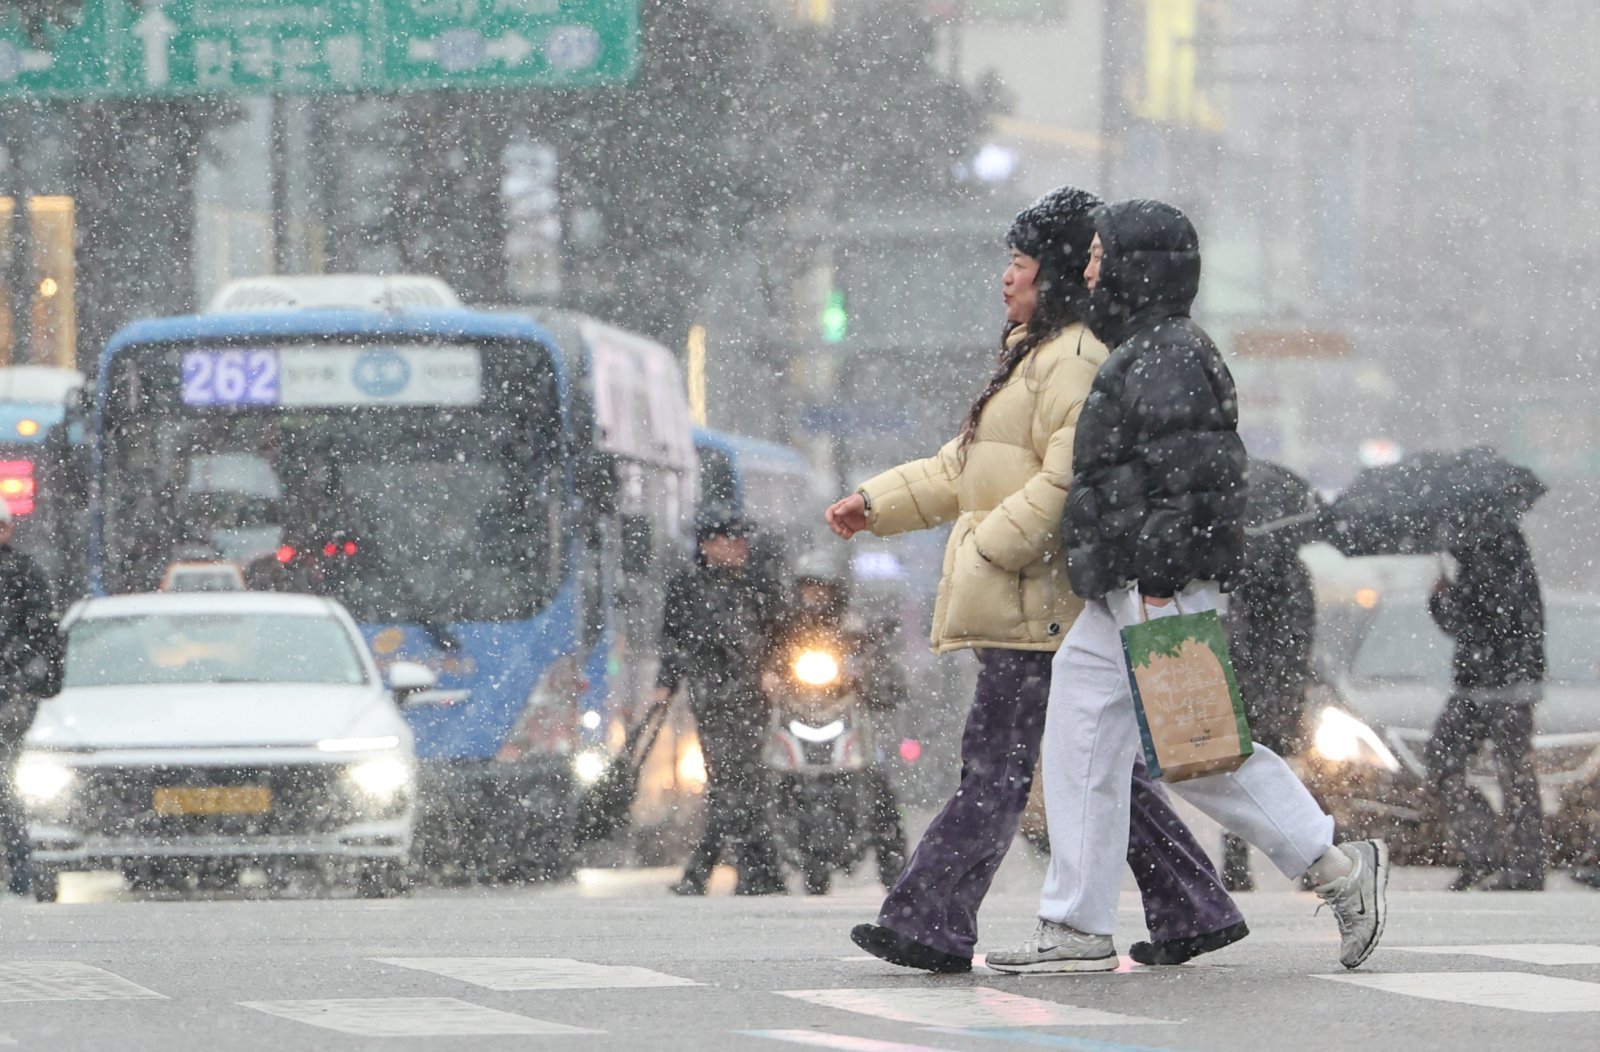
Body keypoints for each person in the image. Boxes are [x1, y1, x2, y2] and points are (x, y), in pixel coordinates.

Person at [826, 186, 1247, 975]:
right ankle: (1195, 907)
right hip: (1031, 606)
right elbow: (964, 466)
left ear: (1053, 275)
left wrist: (990, 547)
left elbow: (1065, 483)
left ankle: (929, 920)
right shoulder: (1034, 357)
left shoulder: (1076, 361)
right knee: (1092, 772)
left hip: (1041, 608)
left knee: (998, 773)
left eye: (1018, 264)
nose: (1005, 280)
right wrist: (877, 501)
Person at [987, 199, 1389, 975]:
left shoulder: (1167, 354)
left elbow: (1197, 477)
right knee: (1083, 739)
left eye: (1101, 254)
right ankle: (1074, 924)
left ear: (1136, 267)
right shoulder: (1146, 349)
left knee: (1196, 748)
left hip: (1155, 584)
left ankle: (1335, 868)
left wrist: (1163, 579)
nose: (1090, 267)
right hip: (1127, 587)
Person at [656, 505, 788, 896]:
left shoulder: (759, 585)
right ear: (708, 544)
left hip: (751, 698)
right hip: (711, 696)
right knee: (734, 782)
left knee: (739, 783)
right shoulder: (687, 585)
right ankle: (757, 872)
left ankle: (712, 872)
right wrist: (666, 682)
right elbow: (673, 638)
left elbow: (781, 634)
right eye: (732, 538)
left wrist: (772, 668)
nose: (741, 546)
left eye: (744, 538)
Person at [1425, 527, 1546, 891]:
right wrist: (1441, 599)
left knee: (1512, 771)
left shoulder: (1501, 555)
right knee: (1446, 760)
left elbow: (1483, 617)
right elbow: (1462, 624)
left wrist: (1451, 597)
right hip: (1476, 684)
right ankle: (1486, 854)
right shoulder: (1479, 560)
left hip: (1506, 685)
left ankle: (1522, 864)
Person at [780, 553, 907, 886]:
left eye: (822, 589)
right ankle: (762, 868)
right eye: (809, 589)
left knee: (880, 791)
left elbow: (883, 672)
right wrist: (768, 679)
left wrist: (871, 675)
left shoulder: (854, 629)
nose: (816, 597)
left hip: (845, 723)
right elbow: (764, 661)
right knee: (762, 781)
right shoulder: (784, 630)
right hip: (793, 723)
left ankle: (897, 876)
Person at [1219, 510, 1318, 891]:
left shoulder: (1237, 568)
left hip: (1248, 687)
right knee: (1284, 776)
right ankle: (1308, 859)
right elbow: (1300, 637)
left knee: (1240, 773)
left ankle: (1237, 860)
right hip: (1276, 691)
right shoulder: (1293, 571)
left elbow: (1236, 630)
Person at [0, 501, 60, 895]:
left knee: (6, 787)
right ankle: (20, 872)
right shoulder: (24, 573)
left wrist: (27, 680)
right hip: (10, 695)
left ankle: (21, 873)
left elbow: (42, 639)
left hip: (7, 698)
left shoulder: (22, 573)